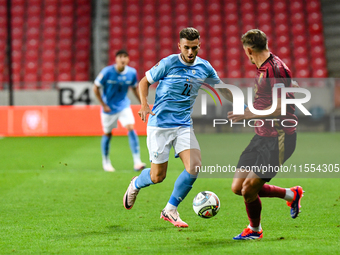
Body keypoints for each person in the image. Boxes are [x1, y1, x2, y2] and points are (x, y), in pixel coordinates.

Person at [123, 27, 233, 227]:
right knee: (158, 177)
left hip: (183, 125)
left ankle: (170, 209)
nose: (190, 53)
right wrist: (144, 105)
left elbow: (222, 88)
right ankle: (136, 183)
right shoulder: (168, 63)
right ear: (179, 46)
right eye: (186, 48)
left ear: (199, 45)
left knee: (194, 166)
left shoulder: (205, 67)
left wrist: (244, 106)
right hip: (160, 125)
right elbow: (144, 82)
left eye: (194, 48)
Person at [227, 29, 304, 240]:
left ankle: (255, 230)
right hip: (261, 136)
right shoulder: (265, 68)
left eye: (246, 52)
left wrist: (247, 114)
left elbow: (279, 109)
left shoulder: (275, 69)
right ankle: (291, 194)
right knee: (238, 187)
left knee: (249, 190)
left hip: (279, 139)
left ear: (249, 50)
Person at [93, 49, 146, 172]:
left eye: (125, 57)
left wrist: (143, 103)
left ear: (128, 59)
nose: (123, 59)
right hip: (109, 107)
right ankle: (106, 161)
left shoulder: (132, 73)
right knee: (108, 133)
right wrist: (103, 104)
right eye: (120, 57)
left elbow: (134, 89)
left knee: (131, 127)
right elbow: (95, 87)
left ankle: (137, 161)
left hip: (123, 105)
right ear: (116, 59)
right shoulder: (107, 72)